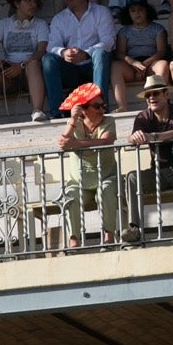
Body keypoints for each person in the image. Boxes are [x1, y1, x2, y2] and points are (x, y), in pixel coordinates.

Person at [121, 74, 173, 244]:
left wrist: (153, 136)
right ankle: (134, 227)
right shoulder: (143, 117)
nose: (151, 98)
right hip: (158, 172)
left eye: (156, 94)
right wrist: (135, 137)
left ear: (166, 95)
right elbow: (131, 138)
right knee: (132, 178)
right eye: (148, 95)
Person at [43, 0, 115, 116]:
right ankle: (57, 112)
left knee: (100, 53)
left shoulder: (101, 12)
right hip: (70, 69)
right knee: (48, 59)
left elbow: (109, 41)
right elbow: (51, 45)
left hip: (92, 65)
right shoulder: (59, 18)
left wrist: (86, 53)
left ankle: (99, 106)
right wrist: (63, 52)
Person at [57, 83, 118, 247]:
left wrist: (76, 144)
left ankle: (109, 236)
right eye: (97, 106)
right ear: (84, 109)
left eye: (103, 105)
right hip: (79, 183)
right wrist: (72, 121)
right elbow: (63, 143)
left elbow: (106, 141)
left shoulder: (109, 121)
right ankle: (74, 240)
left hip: (107, 177)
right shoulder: (75, 123)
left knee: (105, 191)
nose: (101, 109)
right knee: (70, 196)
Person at [0, 0, 49, 123]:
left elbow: (41, 52)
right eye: (28, 0)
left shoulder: (41, 24)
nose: (33, 4)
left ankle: (37, 111)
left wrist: (21, 66)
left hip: (31, 73)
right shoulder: (3, 24)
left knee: (33, 65)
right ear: (16, 3)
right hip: (9, 74)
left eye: (35, 1)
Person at [110, 0, 169, 109]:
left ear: (147, 10)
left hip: (151, 63)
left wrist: (145, 64)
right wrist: (133, 63)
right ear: (128, 13)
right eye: (133, 10)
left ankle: (160, 103)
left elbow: (162, 51)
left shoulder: (158, 28)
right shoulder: (123, 31)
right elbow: (119, 53)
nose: (137, 13)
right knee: (115, 66)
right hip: (131, 66)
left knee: (163, 65)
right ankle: (122, 106)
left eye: (140, 9)